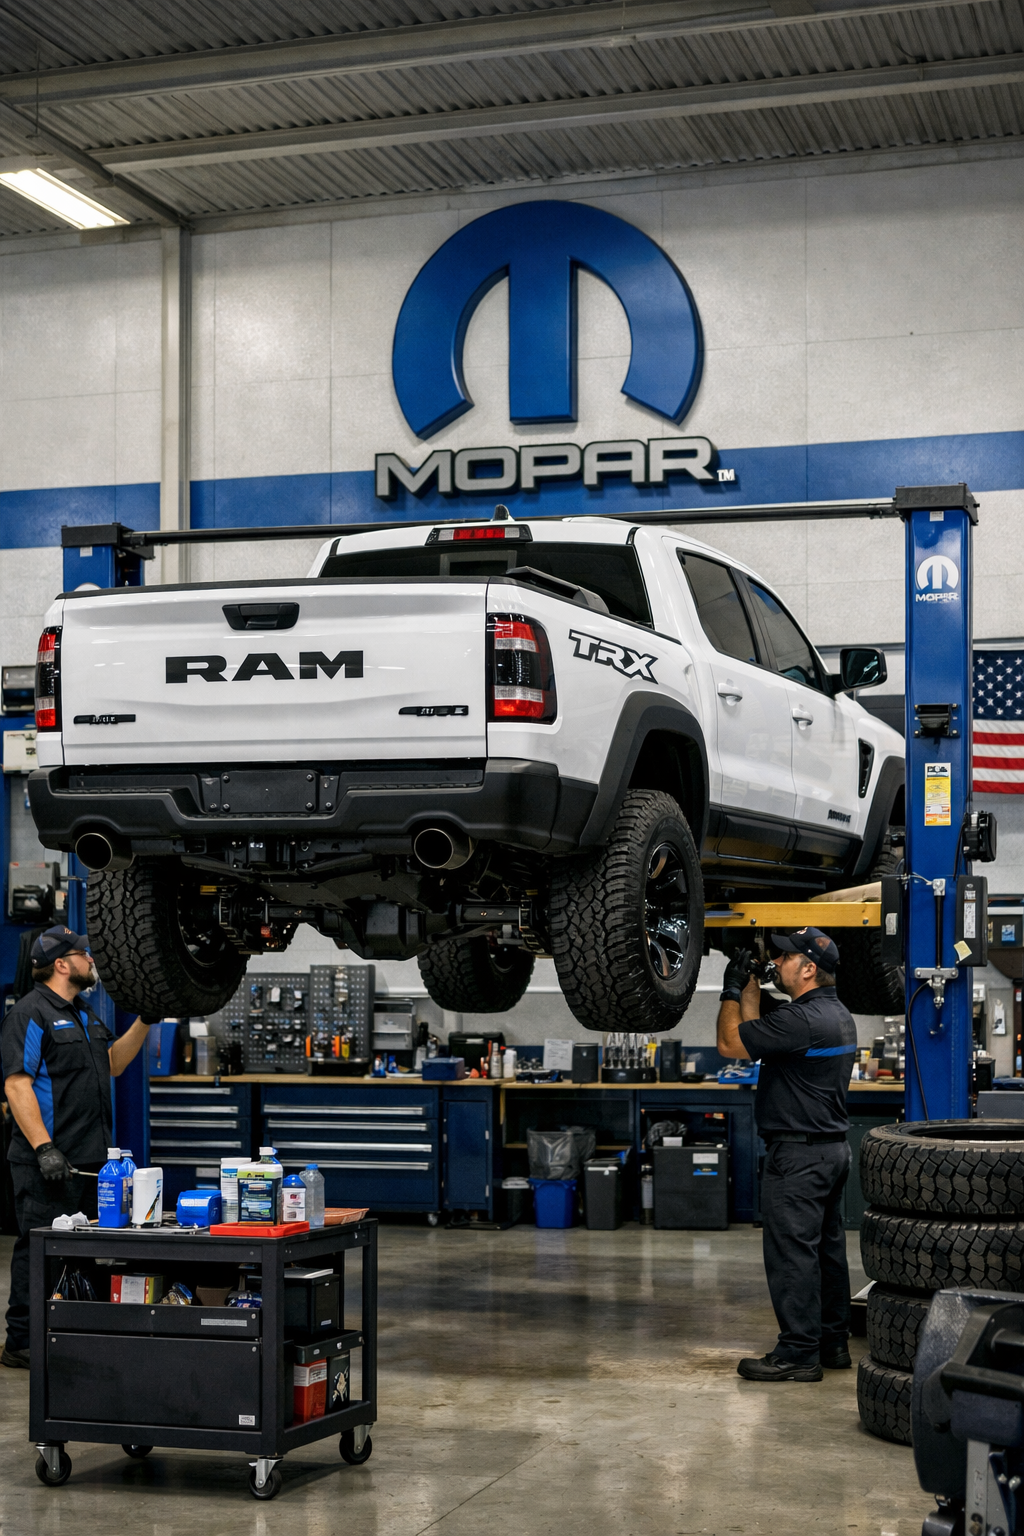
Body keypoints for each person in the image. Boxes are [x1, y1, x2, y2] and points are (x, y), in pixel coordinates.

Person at [1, 926, 156, 1368]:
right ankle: (23, 1341)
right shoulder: (30, 1014)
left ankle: (72, 1331)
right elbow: (17, 1084)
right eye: (86, 954)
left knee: (86, 1255)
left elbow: (113, 1065)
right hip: (49, 1162)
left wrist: (144, 1020)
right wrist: (44, 1148)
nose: (93, 961)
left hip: (92, 1163)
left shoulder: (86, 1014)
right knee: (39, 1251)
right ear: (62, 964)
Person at [716, 926, 857, 1383]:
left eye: (786, 957)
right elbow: (758, 1031)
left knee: (791, 1255)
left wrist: (730, 989)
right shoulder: (831, 1014)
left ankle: (797, 1353)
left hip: (797, 1158)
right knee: (826, 1253)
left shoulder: (802, 1022)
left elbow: (732, 1044)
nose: (778, 961)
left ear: (809, 968)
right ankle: (832, 1343)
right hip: (830, 1152)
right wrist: (755, 984)